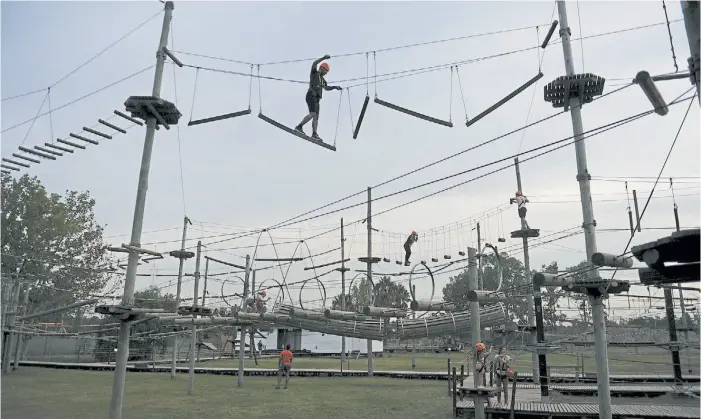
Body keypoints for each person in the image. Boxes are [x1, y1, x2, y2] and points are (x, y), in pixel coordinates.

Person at [294, 54, 343, 141]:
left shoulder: (323, 80)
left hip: (317, 99)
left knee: (316, 116)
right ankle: (299, 127)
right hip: (311, 95)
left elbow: (326, 88)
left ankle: (314, 134)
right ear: (323, 68)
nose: (326, 73)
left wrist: (335, 87)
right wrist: (324, 58)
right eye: (326, 71)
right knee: (313, 114)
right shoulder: (314, 73)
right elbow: (314, 63)